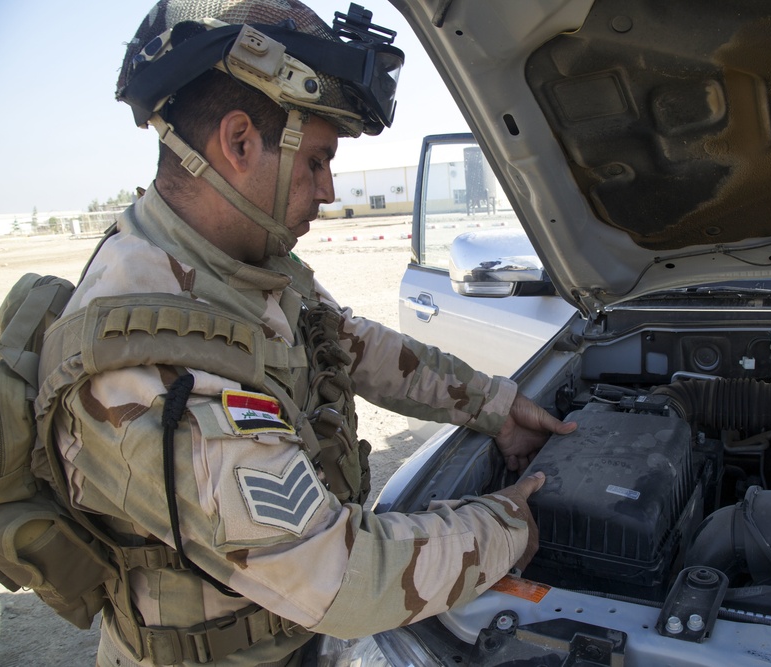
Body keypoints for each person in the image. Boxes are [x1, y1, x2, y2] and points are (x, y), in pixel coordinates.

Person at [34, 1, 576, 665]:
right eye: (317, 160)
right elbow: (342, 575)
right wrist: (510, 524)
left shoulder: (238, 261)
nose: (328, 190)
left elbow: (347, 342)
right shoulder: (147, 362)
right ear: (239, 143)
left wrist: (496, 405)